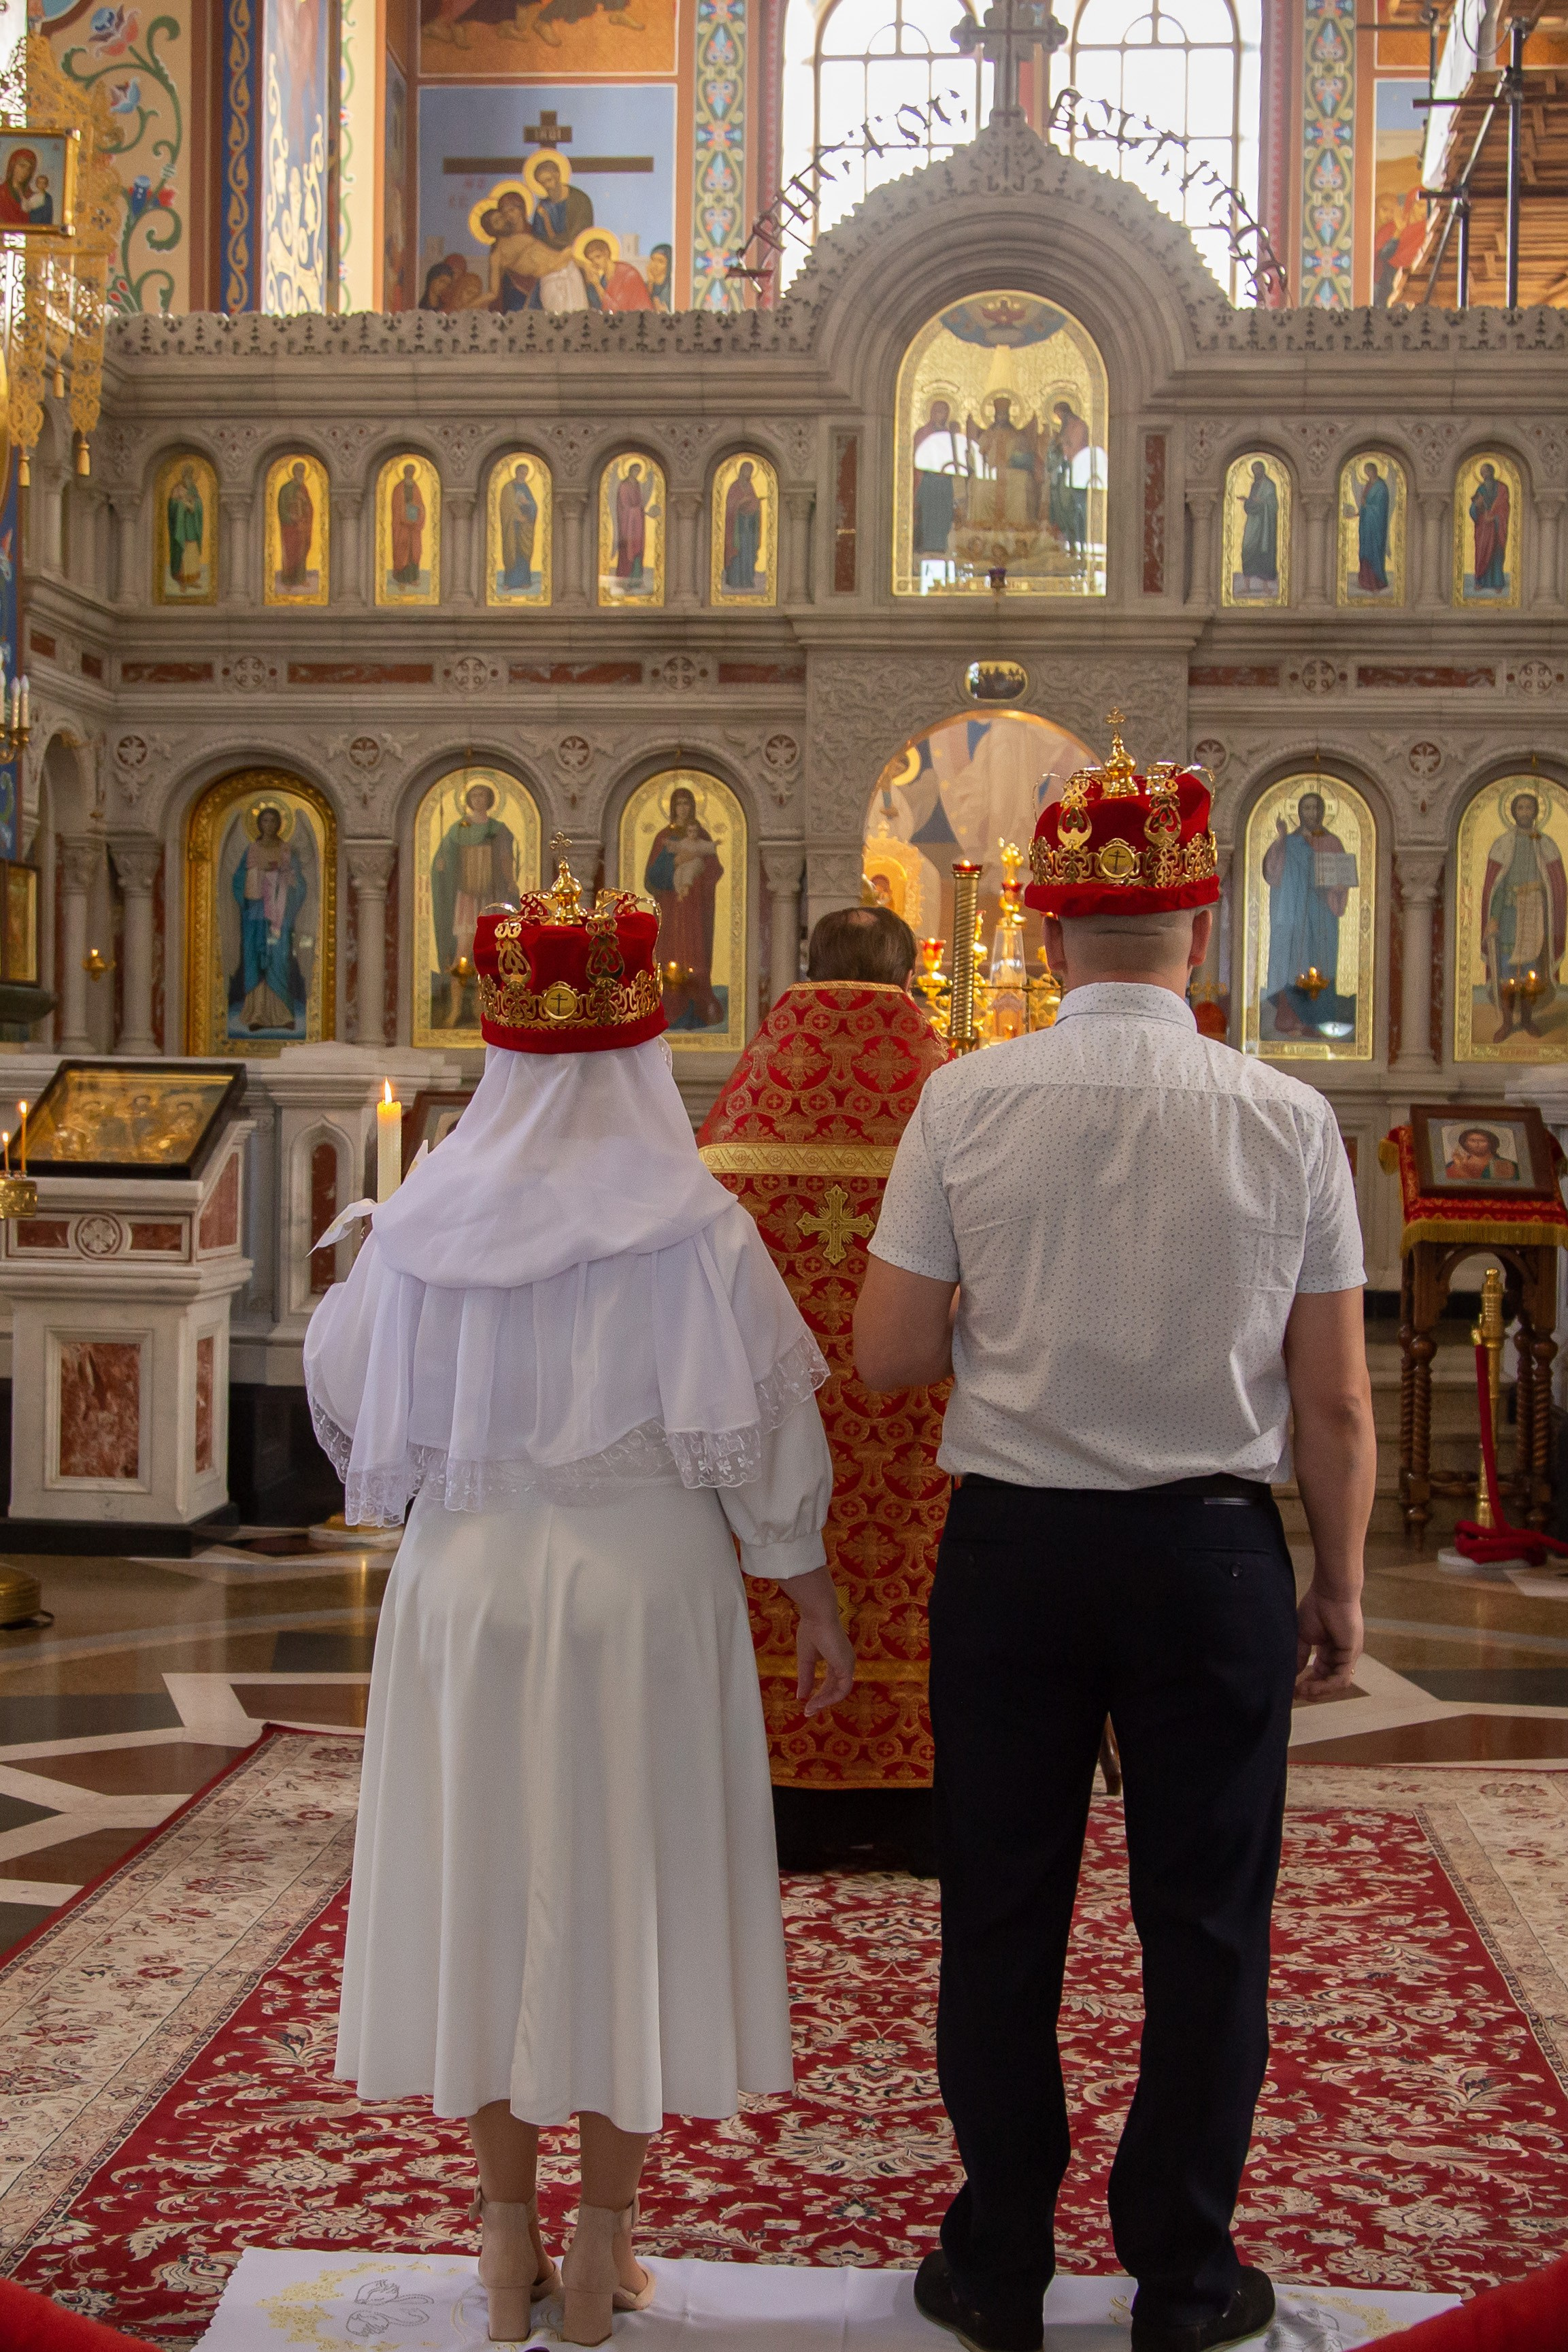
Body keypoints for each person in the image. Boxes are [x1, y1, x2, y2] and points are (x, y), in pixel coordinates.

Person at [854, 723, 1373, 2352]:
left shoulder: (964, 1097)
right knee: (1207, 1925)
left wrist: (1021, 1317)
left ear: (1052, 931)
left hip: (1012, 1553)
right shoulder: (1286, 1116)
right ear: (1202, 930)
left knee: (1000, 1912)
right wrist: (1338, 1577)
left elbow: (885, 1352)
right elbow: (1338, 1401)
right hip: (1212, 1554)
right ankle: (1185, 2282)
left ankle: (997, 2265)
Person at [307, 852, 853, 2349]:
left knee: (481, 1882)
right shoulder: (692, 1223)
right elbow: (765, 1437)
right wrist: (807, 1593)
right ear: (640, 1050)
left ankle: (501, 2245)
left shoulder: (422, 1218)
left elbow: (349, 1394)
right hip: (646, 1592)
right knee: (633, 1891)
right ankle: (604, 2250)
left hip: (466, 1588)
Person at [698, 901, 947, 1868]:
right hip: (918, 1426)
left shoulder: (731, 1133)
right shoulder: (953, 1114)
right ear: (910, 980)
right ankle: (920, 1808)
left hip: (771, 1420)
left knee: (772, 1552)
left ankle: (785, 1807)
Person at [1261, 790, 1355, 1038]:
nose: (1311, 814)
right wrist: (1281, 839)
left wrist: (1331, 884)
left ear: (1322, 812)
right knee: (1294, 962)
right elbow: (1273, 874)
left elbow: (1342, 882)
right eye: (1307, 809)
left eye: (1316, 809)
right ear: (1299, 813)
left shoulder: (1332, 843)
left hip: (1321, 915)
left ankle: (1318, 1021)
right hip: (1293, 913)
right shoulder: (1289, 843)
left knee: (1321, 962)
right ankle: (1290, 1020)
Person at [429, 780, 520, 1025]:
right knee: (462, 952)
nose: (479, 799)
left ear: (490, 800)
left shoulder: (499, 829)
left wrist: (511, 881)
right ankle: (455, 1009)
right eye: (475, 795)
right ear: (469, 800)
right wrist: (440, 865)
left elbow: (505, 859)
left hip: (490, 897)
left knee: (489, 953)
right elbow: (443, 857)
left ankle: (486, 1009)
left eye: (483, 795)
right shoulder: (458, 829)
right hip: (467, 897)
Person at [1480, 790, 1567, 1038]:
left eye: (1530, 808)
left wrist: (1544, 897)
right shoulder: (1503, 844)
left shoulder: (1545, 843)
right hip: (1508, 915)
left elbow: (1557, 884)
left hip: (1535, 916)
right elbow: (1494, 887)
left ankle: (1528, 1019)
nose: (1525, 812)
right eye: (1521, 808)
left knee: (1530, 972)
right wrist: (1493, 917)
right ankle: (1508, 1022)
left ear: (1537, 812)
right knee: (1508, 972)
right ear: (1513, 812)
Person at [644, 784, 722, 1026]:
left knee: (695, 954)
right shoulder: (663, 838)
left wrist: (696, 865)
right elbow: (652, 878)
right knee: (670, 954)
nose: (683, 808)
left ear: (694, 807)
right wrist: (676, 863)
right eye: (679, 803)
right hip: (671, 907)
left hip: (696, 910)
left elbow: (715, 870)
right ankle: (669, 1008)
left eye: (687, 803)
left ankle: (699, 1007)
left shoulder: (703, 836)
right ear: (672, 808)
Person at [229, 804, 307, 1033]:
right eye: (265, 821)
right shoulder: (251, 850)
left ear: (280, 824)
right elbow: (239, 880)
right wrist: (257, 873)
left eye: (274, 821)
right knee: (254, 958)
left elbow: (299, 884)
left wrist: (285, 876)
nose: (269, 825)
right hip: (255, 914)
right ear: (259, 824)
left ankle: (283, 1014)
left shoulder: (286, 850)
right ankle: (256, 1014)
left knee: (280, 959)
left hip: (279, 915)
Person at [1237, 459, 1278, 594]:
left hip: (1265, 525)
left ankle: (1266, 587)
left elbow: (1273, 505)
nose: (1256, 472)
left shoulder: (1269, 485)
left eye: (1258, 469)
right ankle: (1247, 586)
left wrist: (1262, 502)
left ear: (1263, 470)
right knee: (1248, 549)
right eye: (1254, 470)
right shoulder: (1254, 485)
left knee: (1263, 553)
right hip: (1253, 524)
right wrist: (1248, 501)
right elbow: (1252, 503)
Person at [722, 460, 764, 592]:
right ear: (741, 471)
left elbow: (753, 504)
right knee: (738, 554)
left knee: (748, 553)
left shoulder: (750, 487)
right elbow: (730, 506)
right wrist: (741, 503)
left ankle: (747, 580)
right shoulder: (735, 487)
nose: (749, 474)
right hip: (737, 529)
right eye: (747, 471)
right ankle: (735, 580)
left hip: (749, 528)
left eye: (751, 472)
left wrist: (756, 503)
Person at [497, 461, 539, 593]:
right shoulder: (508, 488)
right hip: (512, 527)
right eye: (522, 473)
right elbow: (505, 507)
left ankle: (525, 581)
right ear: (516, 472)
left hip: (525, 526)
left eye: (526, 474)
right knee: (511, 551)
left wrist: (527, 504)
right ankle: (509, 582)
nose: (524, 476)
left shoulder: (525, 487)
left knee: (524, 552)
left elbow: (534, 506)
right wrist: (515, 516)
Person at [1470, 462, 1510, 595]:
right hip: (1484, 528)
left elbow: (1505, 506)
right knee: (1482, 552)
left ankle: (1498, 583)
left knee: (1497, 553)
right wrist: (1477, 508)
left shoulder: (1502, 488)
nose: (1484, 474)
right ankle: (1480, 582)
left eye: (1486, 471)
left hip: (1497, 527)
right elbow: (1473, 508)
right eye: (1482, 472)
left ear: (1492, 472)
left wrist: (1494, 517)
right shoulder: (1480, 489)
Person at [1352, 461, 1390, 593]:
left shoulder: (1381, 487)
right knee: (1365, 549)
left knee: (1374, 550)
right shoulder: (1368, 485)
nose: (1368, 475)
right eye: (1366, 473)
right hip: (1366, 524)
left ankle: (1376, 582)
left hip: (1376, 525)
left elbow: (1381, 508)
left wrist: (1367, 507)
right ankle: (1365, 581)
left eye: (1369, 472)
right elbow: (1364, 504)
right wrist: (1358, 513)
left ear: (1374, 471)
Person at [276, 460, 314, 591]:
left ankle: (301, 579)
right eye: (299, 471)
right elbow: (281, 508)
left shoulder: (303, 488)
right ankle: (288, 581)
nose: (301, 474)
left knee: (302, 552)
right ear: (294, 472)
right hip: (290, 527)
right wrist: (291, 517)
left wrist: (305, 511)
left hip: (302, 526)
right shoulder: (285, 488)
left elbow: (309, 506)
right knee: (290, 552)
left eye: (303, 472)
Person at [389, 463, 425, 589]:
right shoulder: (399, 488)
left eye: (412, 471)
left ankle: (413, 578)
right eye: (408, 471)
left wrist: (416, 511)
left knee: (414, 551)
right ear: (405, 472)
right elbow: (396, 507)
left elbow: (420, 504)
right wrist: (405, 513)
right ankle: (401, 580)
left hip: (414, 526)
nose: (410, 474)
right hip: (402, 526)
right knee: (402, 549)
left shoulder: (416, 487)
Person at [1445, 1125, 1518, 1182]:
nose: (1477, 1144)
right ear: (1465, 1143)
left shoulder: (1507, 1165)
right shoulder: (1453, 1165)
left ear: (1491, 1143)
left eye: (1483, 1141)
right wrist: (1458, 1167)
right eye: (1472, 1140)